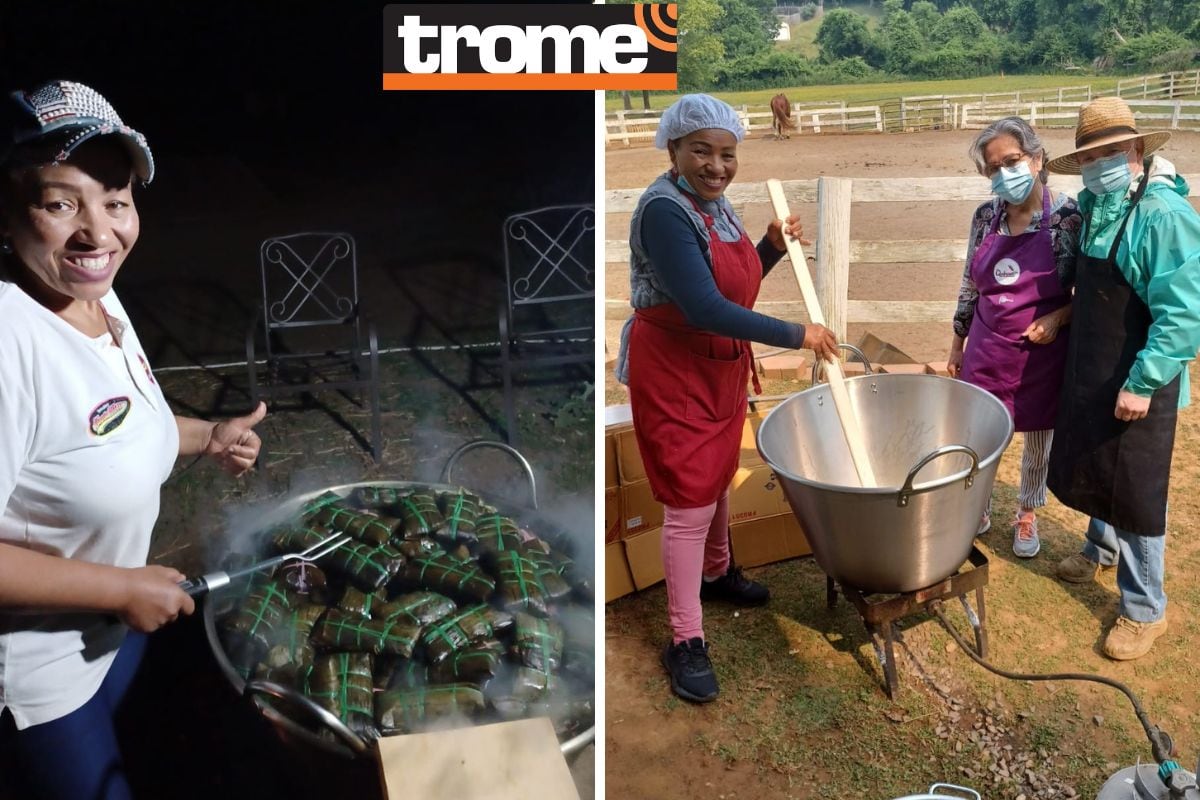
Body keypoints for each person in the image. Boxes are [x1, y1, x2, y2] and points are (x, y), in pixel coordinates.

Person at [0, 80, 267, 799]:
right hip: (37, 674)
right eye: (60, 203)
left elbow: (110, 422)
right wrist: (120, 587)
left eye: (115, 201)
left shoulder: (94, 294)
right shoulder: (7, 341)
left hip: (110, 637)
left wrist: (206, 435)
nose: (98, 232)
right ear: (7, 209)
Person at [615, 94, 838, 703]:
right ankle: (685, 639)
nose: (717, 166)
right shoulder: (664, 210)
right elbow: (705, 306)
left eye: (728, 154)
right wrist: (800, 334)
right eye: (702, 152)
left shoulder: (714, 203)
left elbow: (732, 285)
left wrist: (766, 246)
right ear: (674, 149)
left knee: (715, 477)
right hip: (675, 370)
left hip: (717, 364)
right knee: (689, 498)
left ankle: (717, 573)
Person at [1045, 96, 1200, 661]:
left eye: (1111, 152)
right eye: (1090, 156)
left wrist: (1144, 380)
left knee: (1135, 486)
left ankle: (1144, 608)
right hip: (1093, 365)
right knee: (1094, 455)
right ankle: (1098, 548)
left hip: (1139, 375)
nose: (1100, 164)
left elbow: (1183, 313)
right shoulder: (1094, 207)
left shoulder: (1162, 216)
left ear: (1136, 150)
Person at [947, 116, 1082, 559]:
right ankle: (978, 505)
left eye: (1013, 160)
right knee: (982, 434)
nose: (1004, 173)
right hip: (987, 344)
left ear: (1036, 158)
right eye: (994, 168)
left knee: (1038, 438)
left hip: (1042, 351)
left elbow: (1090, 292)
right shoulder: (986, 217)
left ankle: (1027, 511)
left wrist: (1060, 317)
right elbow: (971, 281)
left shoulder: (1068, 216)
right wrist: (957, 342)